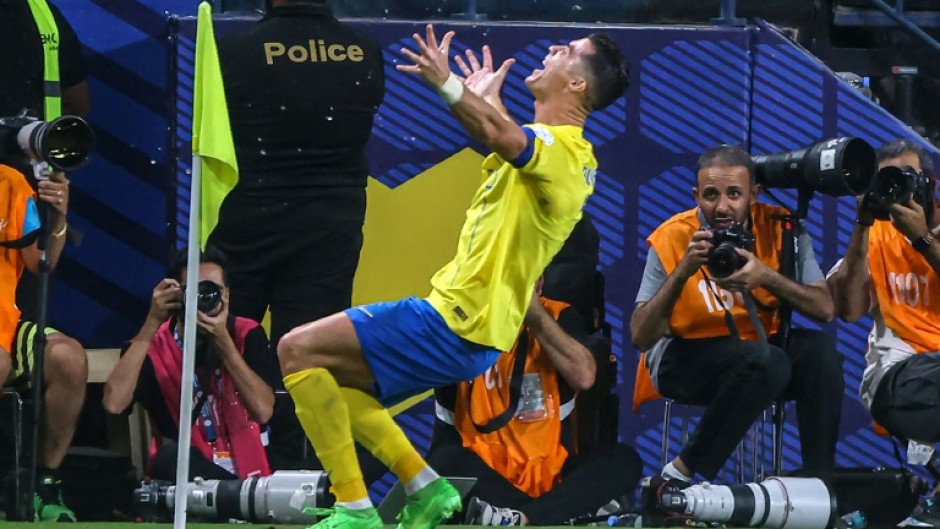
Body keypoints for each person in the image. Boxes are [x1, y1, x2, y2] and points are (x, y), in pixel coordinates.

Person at [277, 23, 629, 529]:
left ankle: (357, 508)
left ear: (578, 85)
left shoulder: (567, 152)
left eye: (569, 51)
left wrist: (449, 85)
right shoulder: (552, 153)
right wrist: (489, 100)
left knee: (295, 349)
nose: (555, 49)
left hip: (458, 320)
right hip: (464, 321)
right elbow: (511, 139)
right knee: (327, 378)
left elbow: (500, 136)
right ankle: (424, 490)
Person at [210, 0, 386, 467]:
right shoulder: (364, 51)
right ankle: (297, 480)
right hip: (329, 227)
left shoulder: (233, 50)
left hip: (247, 222)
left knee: (226, 346)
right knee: (307, 362)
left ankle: (224, 467)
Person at [630, 145, 843, 487]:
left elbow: (824, 308)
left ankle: (820, 481)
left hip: (757, 353)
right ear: (696, 195)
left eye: (734, 194)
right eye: (711, 195)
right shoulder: (672, 236)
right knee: (768, 361)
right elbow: (640, 336)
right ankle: (682, 474)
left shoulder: (783, 228)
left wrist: (766, 276)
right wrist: (683, 271)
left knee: (819, 353)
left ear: (754, 194)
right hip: (684, 356)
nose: (722, 207)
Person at [428, 280, 641, 526]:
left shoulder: (559, 315)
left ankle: (522, 518)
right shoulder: (457, 322)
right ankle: (551, 517)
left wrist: (533, 312)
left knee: (624, 461)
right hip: (486, 472)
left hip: (552, 472)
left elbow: (584, 376)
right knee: (443, 464)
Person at [826, 139, 940, 522]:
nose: (901, 189)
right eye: (889, 180)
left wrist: (923, 240)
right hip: (896, 380)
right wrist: (861, 224)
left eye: (909, 178)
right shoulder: (877, 236)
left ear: (932, 184)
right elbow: (848, 310)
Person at [102, 247, 278, 481]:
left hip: (251, 473)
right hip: (188, 481)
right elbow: (114, 404)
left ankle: (236, 496)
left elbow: (263, 411)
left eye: (213, 290)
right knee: (171, 457)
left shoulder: (247, 334)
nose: (205, 298)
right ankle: (233, 496)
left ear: (227, 295)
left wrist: (223, 342)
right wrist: (151, 324)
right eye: (196, 291)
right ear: (178, 295)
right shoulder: (152, 346)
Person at [0, 163, 87, 522]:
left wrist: (58, 218)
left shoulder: (11, 184)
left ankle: (43, 482)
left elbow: (41, 263)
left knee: (68, 358)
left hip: (6, 325)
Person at [1, 0, 90, 322]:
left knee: (27, 318)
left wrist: (35, 137)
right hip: (30, 178)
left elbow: (77, 103)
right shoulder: (44, 14)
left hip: (33, 182)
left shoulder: (45, 17)